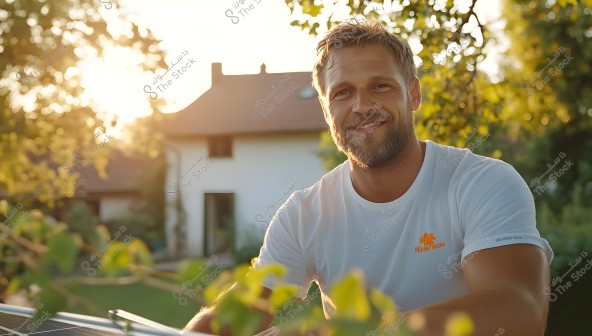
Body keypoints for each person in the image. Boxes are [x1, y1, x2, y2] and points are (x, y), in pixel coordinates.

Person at [184, 18, 553, 335]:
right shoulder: (304, 214)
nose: (362, 106)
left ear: (413, 93)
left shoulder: (481, 182)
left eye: (380, 85)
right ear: (327, 109)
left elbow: (520, 308)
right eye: (343, 92)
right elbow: (240, 312)